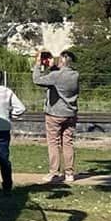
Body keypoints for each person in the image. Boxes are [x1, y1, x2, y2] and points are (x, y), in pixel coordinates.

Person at [32, 49, 80, 183]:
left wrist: (38, 64)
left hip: (55, 114)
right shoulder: (75, 75)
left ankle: (54, 172)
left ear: (63, 60)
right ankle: (69, 173)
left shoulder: (57, 76)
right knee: (68, 143)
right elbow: (58, 79)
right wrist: (52, 66)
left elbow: (37, 80)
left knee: (53, 143)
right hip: (70, 113)